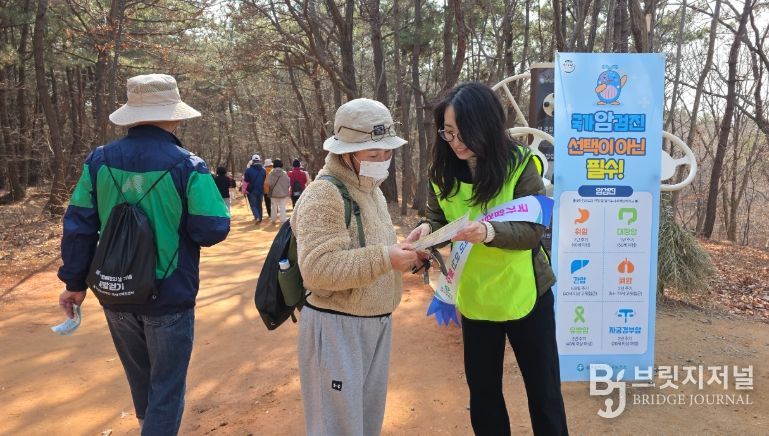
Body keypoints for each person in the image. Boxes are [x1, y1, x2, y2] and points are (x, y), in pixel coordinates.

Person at [56, 73, 230, 435]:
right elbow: (212, 229)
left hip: (115, 291)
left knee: (141, 380)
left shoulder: (98, 161)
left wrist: (74, 283)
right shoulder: (188, 165)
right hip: (168, 294)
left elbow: (79, 225)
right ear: (174, 115)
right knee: (166, 388)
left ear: (132, 115)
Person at [407, 82, 568, 436]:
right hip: (476, 297)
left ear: (488, 125)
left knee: (544, 393)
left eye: (464, 132)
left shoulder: (520, 164)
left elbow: (532, 231)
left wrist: (488, 232)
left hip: (526, 293)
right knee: (484, 395)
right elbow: (438, 218)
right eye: (448, 132)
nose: (456, 142)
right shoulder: (442, 171)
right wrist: (426, 231)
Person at [291, 98, 418, 436]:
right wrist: (386, 258)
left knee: (365, 424)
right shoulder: (324, 194)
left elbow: (374, 250)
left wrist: (407, 254)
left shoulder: (372, 191)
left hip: (376, 324)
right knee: (337, 428)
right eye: (372, 154)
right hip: (337, 327)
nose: (382, 160)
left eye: (387, 152)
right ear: (346, 153)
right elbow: (317, 269)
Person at [265, 158, 290, 225]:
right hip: (283, 194)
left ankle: (273, 220)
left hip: (273, 193)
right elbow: (288, 183)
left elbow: (268, 183)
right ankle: (283, 221)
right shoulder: (284, 173)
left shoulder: (271, 173)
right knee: (282, 207)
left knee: (274, 207)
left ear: (274, 165)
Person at [244, 154, 266, 224]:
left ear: (252, 161)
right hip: (261, 189)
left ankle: (257, 217)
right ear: (259, 160)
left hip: (252, 190)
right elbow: (264, 179)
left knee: (253, 204)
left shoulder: (248, 170)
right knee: (259, 204)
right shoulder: (263, 170)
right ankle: (260, 218)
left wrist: (244, 189)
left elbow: (246, 180)